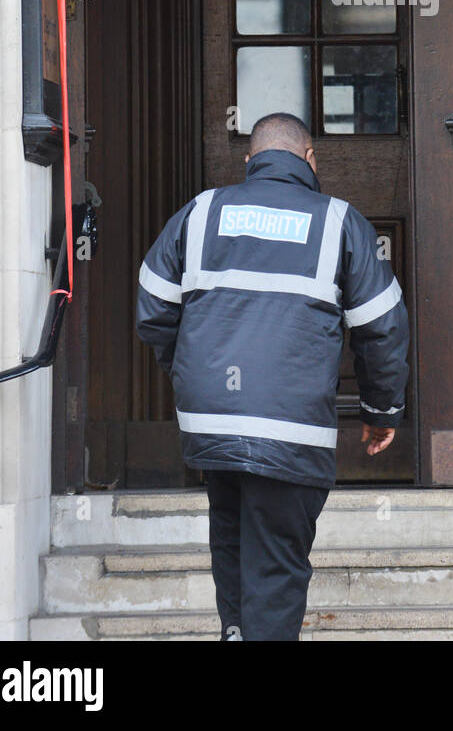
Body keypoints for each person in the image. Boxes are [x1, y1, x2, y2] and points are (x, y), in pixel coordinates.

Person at [136, 111, 410, 642]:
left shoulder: (201, 211)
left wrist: (193, 374)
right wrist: (381, 412)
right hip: (291, 428)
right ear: (310, 158)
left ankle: (236, 631)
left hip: (212, 418)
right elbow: (382, 328)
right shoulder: (337, 221)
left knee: (233, 538)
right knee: (277, 564)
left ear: (250, 161)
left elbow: (153, 309)